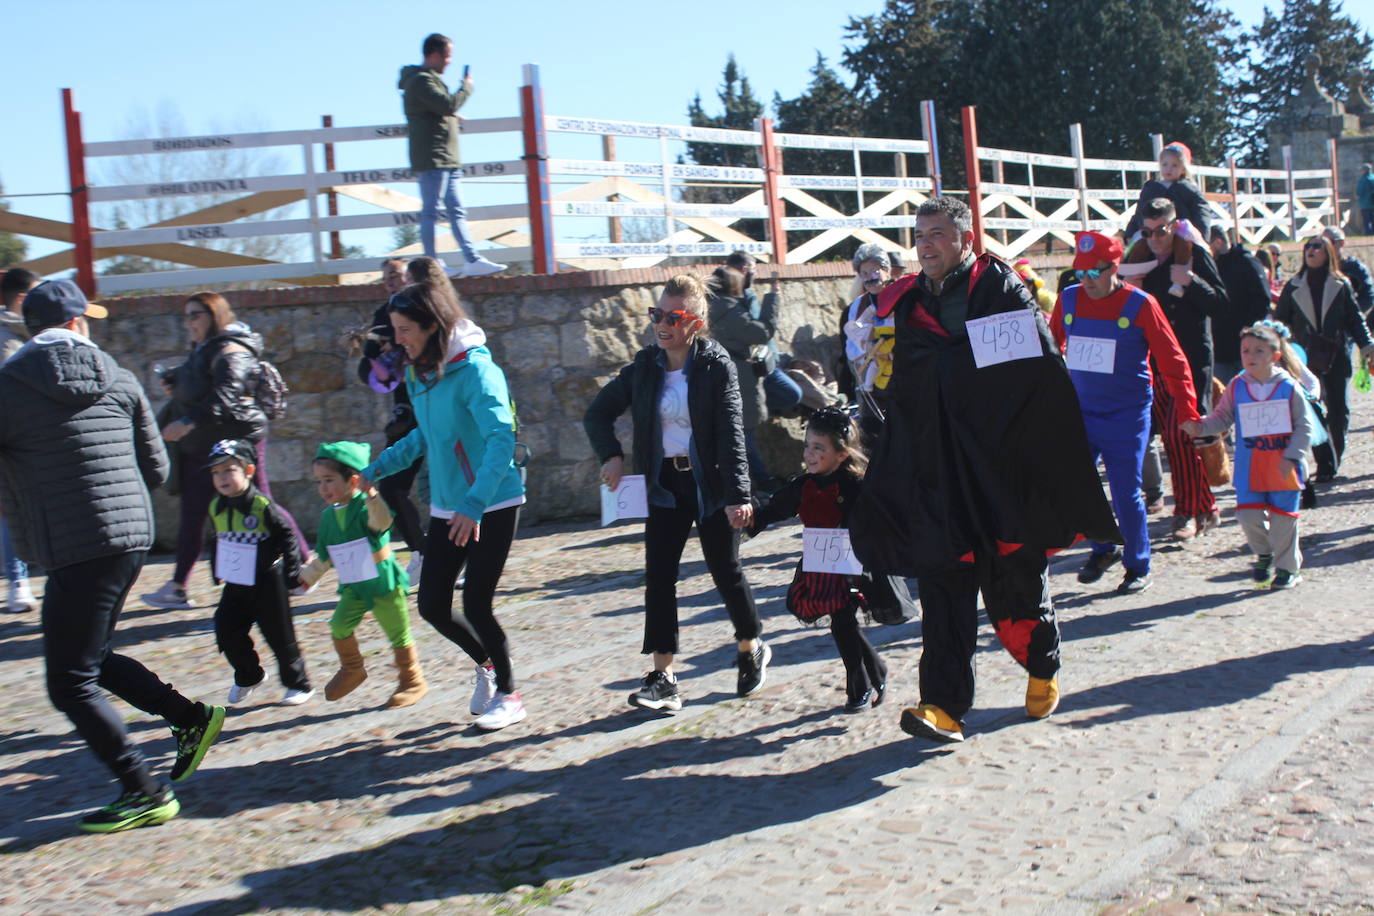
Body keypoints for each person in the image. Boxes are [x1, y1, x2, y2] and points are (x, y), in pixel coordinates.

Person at [850, 197, 1120, 744]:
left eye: (938, 233)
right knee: (943, 587)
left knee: (1015, 584)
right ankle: (942, 707)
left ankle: (1042, 665)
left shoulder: (1001, 289)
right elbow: (907, 384)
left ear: (966, 239)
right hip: (938, 473)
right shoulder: (905, 305)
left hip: (998, 469)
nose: (926, 244)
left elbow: (1037, 374)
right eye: (920, 235)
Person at [0, 280, 225, 833]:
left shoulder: (7, 387)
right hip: (130, 537)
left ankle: (142, 790)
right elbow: (157, 470)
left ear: (32, 329)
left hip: (75, 543)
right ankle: (190, 718)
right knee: (90, 655)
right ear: (78, 325)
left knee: (68, 681)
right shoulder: (120, 377)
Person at [584, 274, 768, 713]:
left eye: (673, 317)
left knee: (725, 569)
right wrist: (611, 456)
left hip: (711, 483)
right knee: (660, 578)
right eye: (657, 314)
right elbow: (597, 413)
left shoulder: (715, 365)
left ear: (696, 323)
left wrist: (739, 495)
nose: (661, 324)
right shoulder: (644, 367)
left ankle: (751, 645)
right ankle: (664, 677)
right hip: (664, 485)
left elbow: (732, 434)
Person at [360, 282, 526, 730]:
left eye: (406, 329)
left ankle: (511, 696)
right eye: (394, 330)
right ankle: (487, 666)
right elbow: (425, 437)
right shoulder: (420, 373)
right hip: (449, 505)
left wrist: (474, 505)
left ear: (434, 326)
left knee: (476, 603)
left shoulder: (476, 371)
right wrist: (377, 468)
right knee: (432, 604)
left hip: (492, 501)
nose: (398, 340)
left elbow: (500, 440)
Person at [1051, 232, 1200, 595]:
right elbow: (1049, 348)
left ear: (1114, 267)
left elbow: (1173, 359)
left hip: (1126, 415)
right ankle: (1104, 548)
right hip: (1082, 412)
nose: (1086, 281)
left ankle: (1138, 565)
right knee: (1075, 486)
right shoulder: (1068, 299)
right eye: (1080, 273)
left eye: (1094, 273)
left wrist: (1189, 410)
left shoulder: (1140, 304)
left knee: (1125, 492)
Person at [143, 292, 307, 609]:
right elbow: (203, 388)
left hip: (236, 440)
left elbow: (226, 396)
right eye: (187, 315)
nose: (188, 322)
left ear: (214, 316)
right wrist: (177, 385)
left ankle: (301, 567)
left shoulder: (232, 348)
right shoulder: (204, 348)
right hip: (204, 442)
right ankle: (178, 586)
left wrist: (187, 421)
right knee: (193, 512)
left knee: (262, 503)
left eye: (195, 315)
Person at [749, 406, 894, 712]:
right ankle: (876, 668)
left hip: (852, 565)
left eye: (819, 448)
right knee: (843, 624)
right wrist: (747, 522)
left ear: (841, 454)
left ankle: (859, 687)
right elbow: (775, 510)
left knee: (842, 622)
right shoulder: (804, 486)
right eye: (807, 446)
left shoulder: (856, 485)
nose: (810, 454)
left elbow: (879, 517)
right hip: (819, 566)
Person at [1181, 323, 1315, 589]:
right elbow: (1222, 417)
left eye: (1258, 351)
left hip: (1283, 466)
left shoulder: (1288, 387)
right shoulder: (1238, 386)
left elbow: (1305, 426)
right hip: (1250, 466)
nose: (1251, 356)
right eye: (1246, 351)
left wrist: (1293, 456)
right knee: (1248, 517)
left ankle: (1288, 570)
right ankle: (1264, 554)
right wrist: (1201, 426)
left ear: (1276, 355)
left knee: (1284, 522)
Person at [300, 441, 427, 709]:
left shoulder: (365, 506)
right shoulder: (327, 518)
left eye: (329, 480)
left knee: (398, 632)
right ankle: (352, 668)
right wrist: (308, 576)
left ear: (353, 480)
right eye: (319, 481)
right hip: (353, 584)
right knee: (339, 625)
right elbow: (325, 554)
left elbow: (382, 523)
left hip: (382, 582)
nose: (323, 488)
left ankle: (412, 680)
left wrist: (371, 495)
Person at [1134, 197, 1228, 540]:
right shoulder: (1139, 259)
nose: (1156, 237)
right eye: (1148, 231)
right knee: (1173, 439)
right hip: (1156, 363)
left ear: (1174, 226)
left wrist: (1190, 281)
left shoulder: (1194, 254)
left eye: (1162, 230)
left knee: (1181, 434)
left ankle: (1186, 513)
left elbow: (1221, 303)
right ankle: (1206, 507)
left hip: (1191, 360)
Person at [203, 438, 313, 707]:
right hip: (236, 580)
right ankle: (249, 674)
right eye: (216, 472)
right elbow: (216, 539)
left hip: (267, 579)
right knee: (226, 629)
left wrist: (292, 569)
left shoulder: (261, 506)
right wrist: (216, 568)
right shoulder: (216, 506)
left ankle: (298, 683)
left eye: (229, 470)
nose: (222, 477)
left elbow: (287, 535)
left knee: (280, 635)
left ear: (249, 471)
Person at [399, 33, 505, 279]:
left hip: (445, 157)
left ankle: (472, 259)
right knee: (431, 211)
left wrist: (449, 117)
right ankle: (433, 263)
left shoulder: (426, 81)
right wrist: (466, 86)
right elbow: (447, 104)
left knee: (455, 210)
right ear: (434, 54)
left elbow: (438, 109)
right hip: (434, 157)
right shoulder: (422, 81)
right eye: (447, 56)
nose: (449, 61)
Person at [1273, 235, 1374, 481]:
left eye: (1317, 246)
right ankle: (1326, 464)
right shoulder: (1293, 285)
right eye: (1307, 246)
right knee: (1314, 409)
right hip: (1304, 357)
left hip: (1337, 354)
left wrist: (1367, 346)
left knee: (1339, 409)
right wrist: (1278, 347)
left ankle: (1334, 456)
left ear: (1328, 252)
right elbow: (1280, 321)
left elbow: (1354, 319)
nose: (1311, 250)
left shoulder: (1341, 284)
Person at [357, 258, 426, 579]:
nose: (392, 282)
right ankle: (423, 553)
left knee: (450, 488)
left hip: (436, 409)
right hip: (407, 416)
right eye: (387, 277)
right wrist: (377, 350)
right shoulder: (381, 316)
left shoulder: (427, 312)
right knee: (392, 488)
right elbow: (365, 369)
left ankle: (459, 555)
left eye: (397, 276)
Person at [708, 266, 786, 493]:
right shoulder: (730, 310)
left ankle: (751, 484)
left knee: (736, 434)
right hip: (737, 377)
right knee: (742, 436)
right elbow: (761, 333)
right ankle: (764, 483)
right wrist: (773, 298)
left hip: (720, 375)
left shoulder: (711, 307)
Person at [1, 268, 37, 612]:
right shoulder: (8, 338)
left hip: (27, 435)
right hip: (15, 437)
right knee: (10, 509)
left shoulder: (24, 334)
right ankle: (17, 582)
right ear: (24, 299)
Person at [841, 243, 895, 444]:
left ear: (886, 270)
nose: (871, 276)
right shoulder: (860, 304)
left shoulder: (903, 295)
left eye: (875, 270)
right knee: (873, 434)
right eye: (864, 273)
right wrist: (869, 348)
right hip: (872, 375)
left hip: (901, 376)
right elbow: (851, 344)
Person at [1208, 225, 1274, 384]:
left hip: (1244, 346)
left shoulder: (1247, 262)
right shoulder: (1212, 265)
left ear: (1217, 242)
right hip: (1220, 347)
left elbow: (1263, 300)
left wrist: (1246, 329)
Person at [1125, 141, 1211, 240]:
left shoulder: (1188, 189)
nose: (1169, 169)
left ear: (1183, 168)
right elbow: (1139, 213)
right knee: (1139, 248)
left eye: (1174, 165)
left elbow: (1201, 214)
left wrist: (1201, 238)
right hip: (1152, 236)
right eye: (1165, 164)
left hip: (1181, 237)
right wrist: (1130, 233)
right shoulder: (1151, 189)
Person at [1322, 226, 1373, 316]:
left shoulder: (1356, 268)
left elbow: (1368, 297)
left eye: (1330, 242)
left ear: (1341, 243)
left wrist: (1350, 314)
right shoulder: (1318, 268)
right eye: (1323, 243)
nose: (1326, 247)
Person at [1357, 162, 1374, 237]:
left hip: (1365, 204)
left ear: (1364, 170)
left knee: (1366, 220)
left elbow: (1359, 192)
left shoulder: (1363, 180)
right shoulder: (1373, 178)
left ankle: (1368, 233)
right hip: (1372, 203)